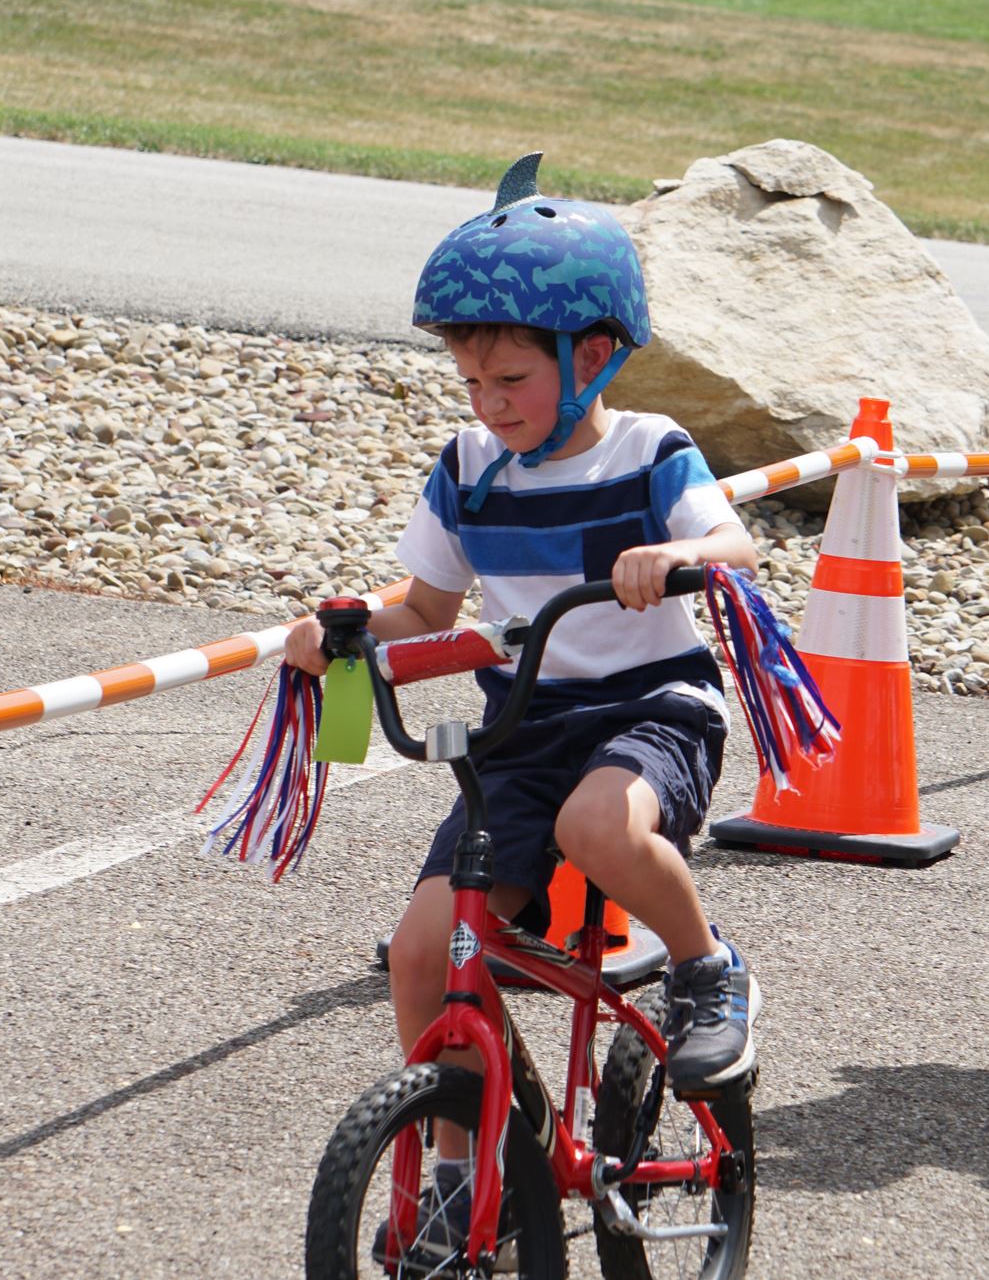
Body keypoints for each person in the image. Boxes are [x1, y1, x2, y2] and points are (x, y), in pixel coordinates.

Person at [284, 153, 759, 1255]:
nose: (490, 406)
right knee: (423, 950)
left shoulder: (650, 450)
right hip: (526, 723)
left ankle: (704, 968)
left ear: (590, 357)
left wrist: (672, 553)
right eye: (473, 385)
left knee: (598, 829)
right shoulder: (470, 468)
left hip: (651, 707)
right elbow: (427, 604)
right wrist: (342, 630)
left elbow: (730, 543)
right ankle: (465, 1175)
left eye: (511, 381)